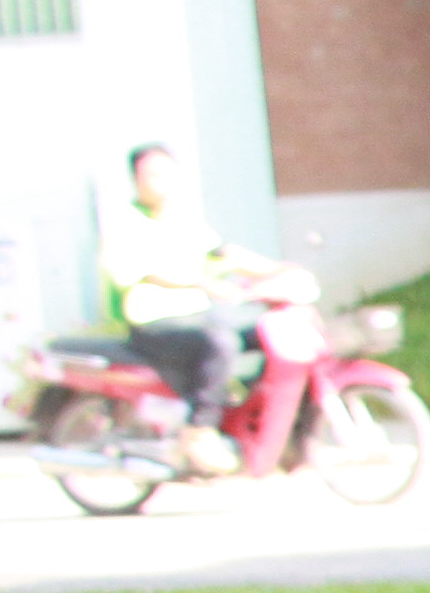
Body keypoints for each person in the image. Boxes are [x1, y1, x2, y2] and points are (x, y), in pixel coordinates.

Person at [98, 141, 304, 443]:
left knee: (264, 334)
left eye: (168, 174)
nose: (162, 182)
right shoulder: (125, 223)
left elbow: (224, 253)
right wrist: (202, 284)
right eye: (153, 175)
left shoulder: (181, 218)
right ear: (136, 180)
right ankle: (200, 430)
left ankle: (249, 417)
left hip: (197, 316)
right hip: (152, 324)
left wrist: (278, 270)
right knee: (220, 342)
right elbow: (145, 272)